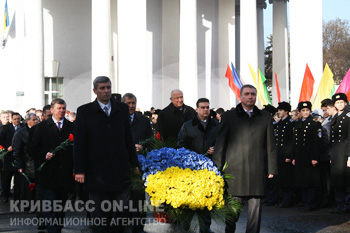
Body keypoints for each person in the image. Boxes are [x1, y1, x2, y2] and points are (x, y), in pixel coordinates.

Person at [74, 76, 139, 233]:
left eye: (108, 87)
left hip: (120, 168)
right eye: (102, 88)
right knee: (99, 214)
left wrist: (135, 164)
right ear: (95, 90)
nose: (106, 91)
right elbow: (79, 143)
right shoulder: (85, 111)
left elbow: (129, 138)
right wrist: (79, 169)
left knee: (122, 209)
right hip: (96, 171)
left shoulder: (121, 109)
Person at [212, 84, 277, 233]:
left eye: (253, 94)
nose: (250, 97)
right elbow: (220, 143)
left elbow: (271, 145)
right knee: (233, 213)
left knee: (255, 215)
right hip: (235, 171)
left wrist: (272, 168)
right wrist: (217, 167)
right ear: (240, 97)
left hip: (257, 170)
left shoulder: (265, 117)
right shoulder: (229, 116)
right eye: (247, 94)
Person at [30, 98, 75, 233]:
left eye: (63, 108)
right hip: (48, 174)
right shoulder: (42, 127)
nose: (61, 111)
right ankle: (52, 229)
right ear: (52, 110)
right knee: (49, 205)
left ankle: (58, 228)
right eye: (59, 108)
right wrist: (44, 155)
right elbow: (32, 149)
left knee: (60, 206)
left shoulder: (71, 126)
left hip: (64, 175)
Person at [178, 98, 219, 233]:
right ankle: (186, 225)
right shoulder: (188, 125)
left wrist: (216, 149)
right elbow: (180, 144)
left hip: (209, 169)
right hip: (191, 169)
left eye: (207, 107)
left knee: (207, 200)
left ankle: (205, 227)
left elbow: (222, 142)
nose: (205, 110)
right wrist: (191, 158)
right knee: (189, 200)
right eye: (202, 107)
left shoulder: (216, 125)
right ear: (197, 109)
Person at [122, 92, 152, 233]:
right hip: (121, 165)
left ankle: (138, 228)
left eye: (133, 103)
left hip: (139, 166)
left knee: (139, 198)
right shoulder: (116, 119)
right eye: (128, 103)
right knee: (122, 199)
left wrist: (143, 147)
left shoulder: (143, 120)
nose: (131, 106)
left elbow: (151, 140)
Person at [292, 101, 322, 211]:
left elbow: (317, 142)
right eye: (303, 111)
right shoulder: (297, 124)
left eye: (307, 110)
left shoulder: (314, 124)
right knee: (302, 181)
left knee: (311, 181)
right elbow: (295, 143)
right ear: (300, 112)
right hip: (300, 156)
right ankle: (305, 202)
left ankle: (311, 202)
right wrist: (294, 157)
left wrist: (315, 157)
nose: (305, 112)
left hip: (310, 156)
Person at [329, 93, 350, 214]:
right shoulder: (335, 116)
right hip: (337, 153)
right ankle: (340, 204)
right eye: (337, 103)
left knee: (346, 179)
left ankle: (347, 204)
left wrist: (349, 156)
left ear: (345, 103)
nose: (339, 104)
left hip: (345, 152)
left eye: (342, 102)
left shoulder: (348, 116)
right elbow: (333, 138)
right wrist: (331, 154)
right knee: (337, 179)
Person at [12, 113, 38, 207]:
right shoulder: (21, 132)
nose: (36, 121)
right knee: (27, 186)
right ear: (28, 121)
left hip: (37, 163)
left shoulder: (39, 130)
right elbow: (16, 150)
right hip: (26, 163)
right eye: (34, 120)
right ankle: (28, 205)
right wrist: (19, 165)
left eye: (37, 119)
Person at [275, 102, 295, 208]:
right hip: (279, 154)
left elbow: (291, 141)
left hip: (286, 154)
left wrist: (289, 155)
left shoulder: (290, 123)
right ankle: (282, 198)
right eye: (278, 110)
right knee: (281, 178)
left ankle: (288, 199)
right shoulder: (280, 123)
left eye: (281, 110)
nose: (279, 112)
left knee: (287, 178)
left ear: (286, 111)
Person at [0, 112, 22, 203]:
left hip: (18, 155)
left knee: (18, 178)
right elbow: (0, 139)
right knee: (6, 178)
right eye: (15, 119)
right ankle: (5, 194)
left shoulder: (22, 127)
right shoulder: (5, 128)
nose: (17, 120)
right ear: (12, 119)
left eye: (18, 119)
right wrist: (7, 147)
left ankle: (17, 197)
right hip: (8, 156)